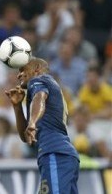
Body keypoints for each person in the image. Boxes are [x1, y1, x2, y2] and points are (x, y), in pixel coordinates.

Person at [5, 57, 79, 194]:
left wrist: (32, 121)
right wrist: (17, 107)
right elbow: (26, 138)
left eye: (23, 69)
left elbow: (40, 96)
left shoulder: (39, 80)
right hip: (61, 153)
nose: (18, 74)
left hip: (55, 152)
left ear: (37, 68)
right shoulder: (48, 85)